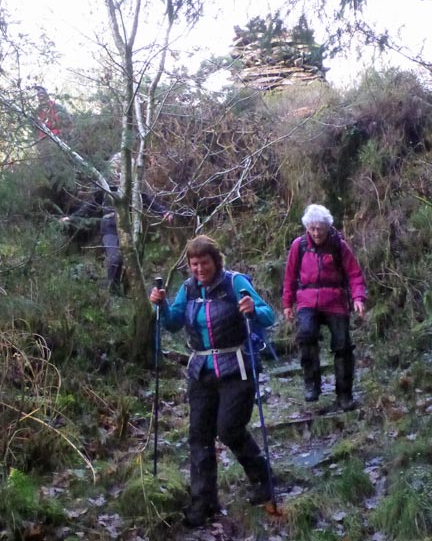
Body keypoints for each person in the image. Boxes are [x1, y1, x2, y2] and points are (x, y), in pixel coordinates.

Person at [149, 235, 275, 527]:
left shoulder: (234, 283)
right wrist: (162, 306)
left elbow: (269, 315)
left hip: (237, 367)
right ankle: (203, 501)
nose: (199, 269)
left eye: (204, 263)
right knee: (198, 437)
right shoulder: (188, 289)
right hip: (202, 370)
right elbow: (172, 322)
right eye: (194, 264)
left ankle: (263, 479)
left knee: (229, 429)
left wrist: (252, 309)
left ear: (215, 261)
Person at [282, 204, 366, 411]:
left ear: (328, 227)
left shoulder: (339, 246)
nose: (316, 232)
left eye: (320, 228)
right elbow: (290, 276)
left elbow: (354, 274)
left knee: (343, 346)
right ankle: (312, 383)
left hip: (335, 300)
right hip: (307, 301)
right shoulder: (298, 246)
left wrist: (358, 298)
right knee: (306, 334)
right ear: (307, 228)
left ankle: (344, 394)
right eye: (312, 228)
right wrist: (287, 304)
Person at [62, 188, 173, 294]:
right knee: (114, 258)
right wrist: (72, 218)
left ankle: (120, 290)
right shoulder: (106, 187)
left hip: (126, 228)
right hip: (109, 228)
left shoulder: (131, 186)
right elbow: (90, 206)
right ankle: (112, 293)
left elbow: (147, 201)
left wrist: (164, 212)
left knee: (126, 258)